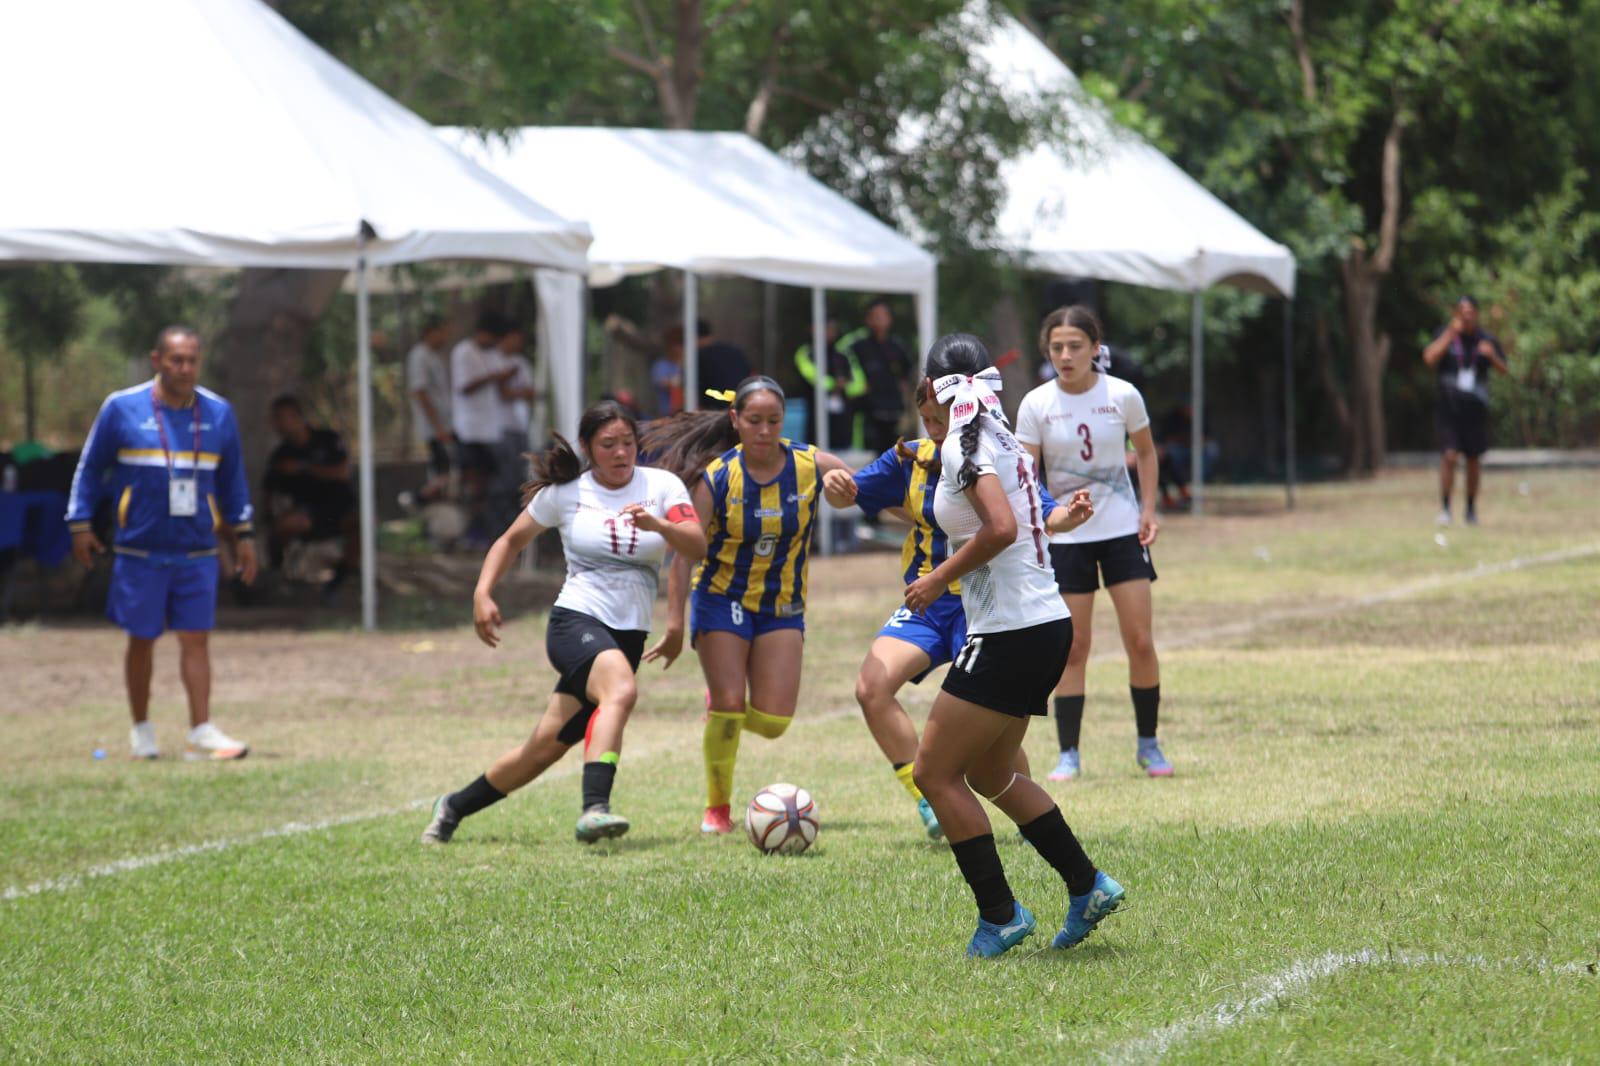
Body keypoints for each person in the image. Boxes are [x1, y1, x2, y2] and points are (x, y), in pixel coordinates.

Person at [904, 333, 1121, 958]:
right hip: (1043, 625)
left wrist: (938, 577)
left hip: (1011, 633)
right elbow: (1017, 522)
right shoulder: (999, 438)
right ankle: (1088, 885)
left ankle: (999, 915)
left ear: (933, 387)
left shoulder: (963, 447)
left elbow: (999, 527)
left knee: (934, 773)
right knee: (992, 771)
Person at [422, 400, 707, 846]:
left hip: (628, 633)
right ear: (589, 449)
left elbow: (696, 544)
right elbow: (509, 541)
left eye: (627, 443)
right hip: (576, 620)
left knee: (541, 750)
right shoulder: (567, 494)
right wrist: (482, 592)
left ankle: (453, 807)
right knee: (622, 691)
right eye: (608, 445)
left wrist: (660, 526)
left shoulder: (662, 486)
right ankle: (596, 809)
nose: (620, 453)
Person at [822, 381, 1088, 840]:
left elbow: (1044, 514)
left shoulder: (988, 455)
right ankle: (926, 801)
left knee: (994, 735)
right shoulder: (910, 458)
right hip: (926, 602)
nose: (934, 429)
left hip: (981, 607)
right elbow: (848, 496)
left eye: (940, 420)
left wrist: (1070, 515)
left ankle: (1029, 818)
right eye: (926, 420)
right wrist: (835, 485)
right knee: (871, 688)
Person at [640, 377, 853, 834]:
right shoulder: (717, 477)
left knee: (774, 721)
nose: (764, 430)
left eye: (773, 421)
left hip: (781, 605)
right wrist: (675, 622)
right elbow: (684, 551)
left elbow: (863, 490)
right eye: (753, 420)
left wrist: (849, 489)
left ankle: (720, 710)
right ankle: (717, 810)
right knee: (732, 705)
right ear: (735, 420)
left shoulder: (810, 463)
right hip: (721, 598)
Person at [65, 325, 258, 761]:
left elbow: (233, 483)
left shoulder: (219, 413)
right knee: (142, 638)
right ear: (157, 360)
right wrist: (79, 522)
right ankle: (142, 730)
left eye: (192, 360)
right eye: (176, 360)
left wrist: (243, 535)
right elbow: (90, 469)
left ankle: (201, 730)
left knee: (197, 638)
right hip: (140, 550)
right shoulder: (122, 408)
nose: (185, 368)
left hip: (197, 549)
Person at [1016, 306, 1170, 781]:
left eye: (1075, 346)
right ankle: (1069, 753)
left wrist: (1147, 509)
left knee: (1140, 640)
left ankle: (1149, 744)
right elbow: (1026, 475)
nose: (1066, 355)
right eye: (1057, 347)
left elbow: (1145, 453)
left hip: (1122, 531)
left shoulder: (1122, 395)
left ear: (1095, 350)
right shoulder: (1036, 404)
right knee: (1074, 646)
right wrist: (1044, 524)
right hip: (1067, 537)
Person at [1422, 296, 1508, 526]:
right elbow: (1429, 357)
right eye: (1462, 311)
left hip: (1475, 408)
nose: (1467, 315)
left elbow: (1503, 370)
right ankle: (1445, 508)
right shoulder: (1446, 335)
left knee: (1473, 460)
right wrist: (1450, 334)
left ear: (1477, 313)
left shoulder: (1486, 339)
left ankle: (1470, 509)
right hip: (1449, 407)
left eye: (1471, 311)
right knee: (1449, 457)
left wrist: (1491, 355)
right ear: (1456, 313)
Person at [264, 396, 359, 596]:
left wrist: (304, 467)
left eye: (281, 418)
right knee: (283, 526)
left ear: (296, 416)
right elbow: (268, 491)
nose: (277, 424)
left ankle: (342, 577)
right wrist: (270, 519)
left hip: (340, 509)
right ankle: (276, 577)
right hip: (307, 514)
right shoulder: (281, 454)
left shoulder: (327, 440)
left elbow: (343, 472)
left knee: (362, 523)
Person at [451, 310, 516, 537]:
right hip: (470, 429)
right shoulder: (463, 352)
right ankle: (465, 528)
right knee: (472, 481)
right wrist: (495, 377)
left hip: (491, 429)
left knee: (488, 482)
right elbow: (464, 387)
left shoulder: (491, 353)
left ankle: (478, 525)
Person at [848, 299, 913, 453]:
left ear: (889, 319)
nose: (879, 320)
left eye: (882, 315)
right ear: (867, 320)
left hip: (894, 412)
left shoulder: (898, 346)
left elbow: (907, 375)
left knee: (895, 455)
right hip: (868, 414)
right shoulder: (858, 346)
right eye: (875, 316)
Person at [794, 319, 867, 449]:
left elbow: (860, 383)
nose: (828, 332)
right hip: (816, 417)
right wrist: (833, 384)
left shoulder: (843, 355)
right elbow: (810, 373)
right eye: (824, 328)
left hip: (843, 420)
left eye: (831, 328)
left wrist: (846, 387)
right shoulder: (806, 352)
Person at [405, 315, 453, 501]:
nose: (445, 337)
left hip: (444, 424)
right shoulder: (420, 355)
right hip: (433, 427)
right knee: (439, 473)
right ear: (430, 332)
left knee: (447, 471)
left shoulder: (435, 356)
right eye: (442, 332)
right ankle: (417, 501)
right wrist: (437, 426)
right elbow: (421, 392)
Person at [666, 320, 751, 400]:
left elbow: (688, 384)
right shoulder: (735, 351)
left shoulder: (698, 357)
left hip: (713, 410)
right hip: (738, 404)